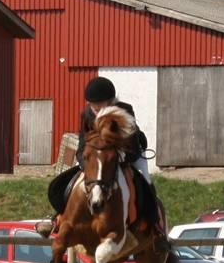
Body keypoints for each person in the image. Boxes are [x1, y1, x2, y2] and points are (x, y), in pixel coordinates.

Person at [38, 77, 167, 248]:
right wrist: (86, 165)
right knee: (71, 181)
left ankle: (156, 227)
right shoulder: (87, 114)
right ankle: (58, 217)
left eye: (100, 105)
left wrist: (118, 159)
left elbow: (133, 146)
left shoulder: (125, 111)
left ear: (111, 101)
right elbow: (82, 146)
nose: (96, 109)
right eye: (93, 105)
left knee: (145, 181)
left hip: (128, 156)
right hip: (98, 160)